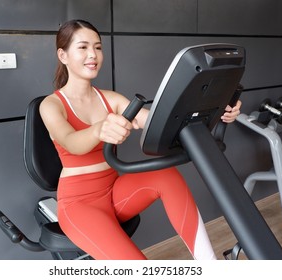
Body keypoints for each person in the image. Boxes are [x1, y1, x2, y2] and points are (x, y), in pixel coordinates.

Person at [40, 19, 242, 260]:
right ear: (63, 55)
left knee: (166, 176)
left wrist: (218, 113)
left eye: (98, 47)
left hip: (114, 192)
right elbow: (71, 141)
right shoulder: (51, 105)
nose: (93, 55)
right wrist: (98, 130)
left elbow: (160, 122)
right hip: (79, 204)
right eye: (83, 47)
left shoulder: (111, 99)